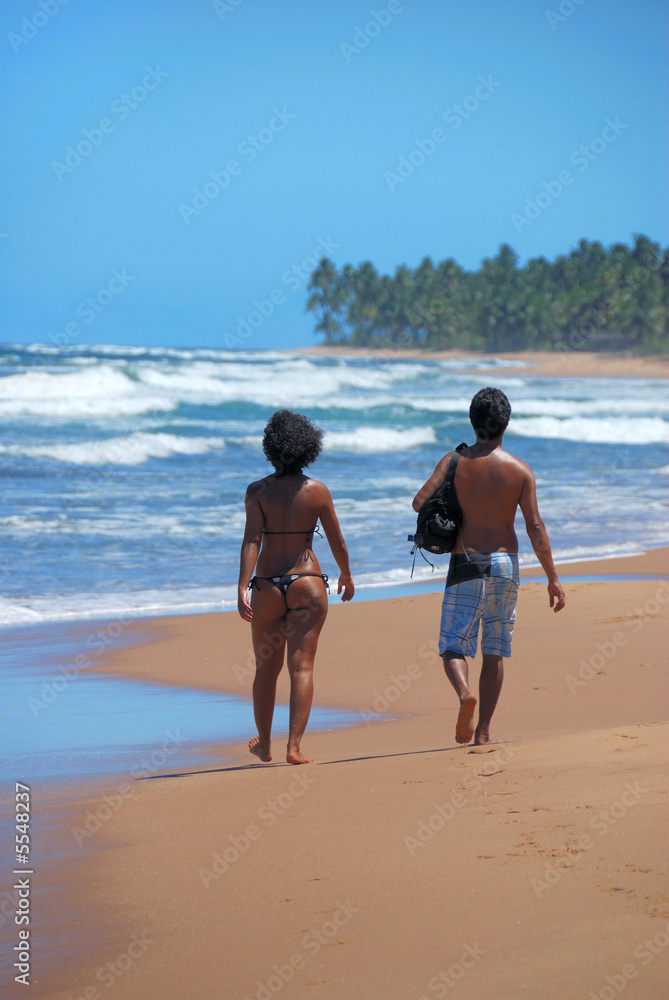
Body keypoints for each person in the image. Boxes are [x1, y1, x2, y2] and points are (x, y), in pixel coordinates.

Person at [412, 387, 565, 747]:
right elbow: (535, 527)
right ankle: (483, 733)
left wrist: (453, 498)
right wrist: (553, 579)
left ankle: (465, 693)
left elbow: (419, 502)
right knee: (494, 650)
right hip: (505, 564)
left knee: (453, 645)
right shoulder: (520, 471)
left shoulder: (453, 462)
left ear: (472, 421)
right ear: (505, 424)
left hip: (467, 560)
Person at [238, 409, 354, 765]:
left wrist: (242, 586)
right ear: (309, 448)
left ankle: (265, 745)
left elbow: (252, 540)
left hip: (268, 587)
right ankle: (294, 747)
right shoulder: (317, 491)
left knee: (265, 669)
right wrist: (346, 575)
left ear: (270, 447)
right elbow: (337, 541)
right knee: (301, 667)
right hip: (308, 583)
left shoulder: (257, 491)